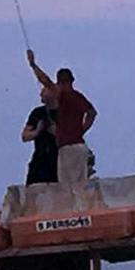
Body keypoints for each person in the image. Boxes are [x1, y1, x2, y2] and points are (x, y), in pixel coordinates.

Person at [28, 49, 95, 182]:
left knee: (66, 187)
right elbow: (92, 113)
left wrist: (33, 65)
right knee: (81, 185)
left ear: (59, 82)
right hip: (81, 147)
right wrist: (81, 130)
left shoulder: (63, 96)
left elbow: (45, 80)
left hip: (67, 148)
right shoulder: (79, 97)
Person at [22, 89, 59, 185]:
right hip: (40, 157)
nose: (41, 94)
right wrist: (37, 131)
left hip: (59, 157)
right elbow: (25, 136)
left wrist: (57, 132)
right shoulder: (38, 112)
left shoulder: (65, 112)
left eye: (45, 91)